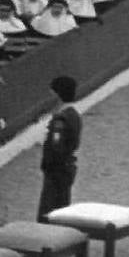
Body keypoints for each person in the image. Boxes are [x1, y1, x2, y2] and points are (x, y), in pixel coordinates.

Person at [38, 75, 81, 218]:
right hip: (66, 167)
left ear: (58, 94)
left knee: (50, 209)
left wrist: (48, 163)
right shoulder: (75, 115)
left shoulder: (60, 119)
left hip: (57, 170)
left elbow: (56, 145)